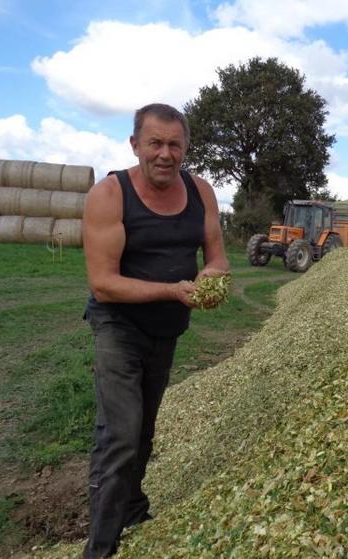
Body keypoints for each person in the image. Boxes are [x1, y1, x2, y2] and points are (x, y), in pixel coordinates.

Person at [81, 103, 229, 558]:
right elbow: (103, 284)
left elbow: (219, 257)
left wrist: (213, 279)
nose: (165, 154)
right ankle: (100, 548)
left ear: (185, 149)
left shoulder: (201, 191)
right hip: (119, 325)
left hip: (167, 329)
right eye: (155, 143)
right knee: (121, 435)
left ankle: (132, 508)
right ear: (135, 145)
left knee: (144, 430)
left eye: (174, 145)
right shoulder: (110, 194)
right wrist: (171, 290)